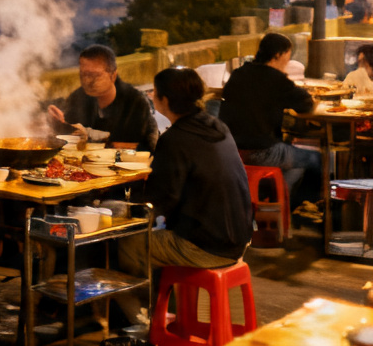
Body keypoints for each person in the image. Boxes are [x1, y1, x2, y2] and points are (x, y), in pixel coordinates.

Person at [116, 68, 253, 323]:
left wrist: (122, 208)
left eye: (155, 92)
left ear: (164, 100)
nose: (153, 96)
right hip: (239, 236)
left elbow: (159, 201)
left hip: (207, 245)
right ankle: (167, 313)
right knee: (156, 236)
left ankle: (144, 323)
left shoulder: (175, 138)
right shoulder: (216, 125)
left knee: (127, 244)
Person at [219, 31, 320, 205]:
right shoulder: (277, 79)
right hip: (260, 151)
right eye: (287, 58)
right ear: (278, 55)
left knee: (293, 163)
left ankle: (276, 204)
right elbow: (306, 104)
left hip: (230, 148)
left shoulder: (239, 73)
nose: (287, 63)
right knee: (315, 159)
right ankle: (298, 208)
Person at [47, 44, 159, 151]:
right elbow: (69, 133)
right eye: (83, 75)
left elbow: (135, 145)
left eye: (94, 75)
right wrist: (58, 121)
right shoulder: (79, 97)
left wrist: (94, 137)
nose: (87, 81)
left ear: (113, 75)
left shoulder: (134, 101)